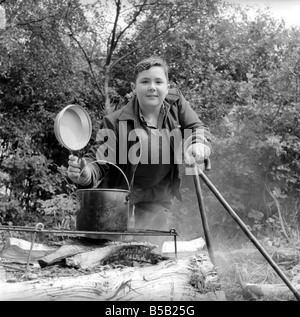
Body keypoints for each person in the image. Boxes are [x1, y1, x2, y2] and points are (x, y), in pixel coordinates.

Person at [67, 56, 211, 249]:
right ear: (134, 88)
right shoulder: (115, 122)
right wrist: (84, 174)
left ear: (167, 87)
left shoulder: (176, 105)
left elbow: (196, 127)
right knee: (108, 246)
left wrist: (198, 143)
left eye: (158, 81)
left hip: (158, 191)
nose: (152, 87)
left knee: (153, 248)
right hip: (121, 192)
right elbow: (98, 161)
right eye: (145, 81)